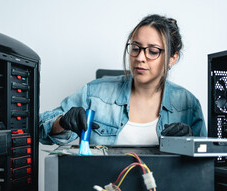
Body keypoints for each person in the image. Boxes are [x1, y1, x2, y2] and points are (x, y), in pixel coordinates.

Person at [39, 14, 207, 146]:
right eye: (135, 48)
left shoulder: (188, 104)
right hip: (104, 187)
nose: (140, 57)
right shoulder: (94, 93)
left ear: (172, 58)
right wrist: (61, 122)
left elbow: (203, 167)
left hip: (163, 189)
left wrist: (191, 143)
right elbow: (41, 128)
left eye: (153, 51)